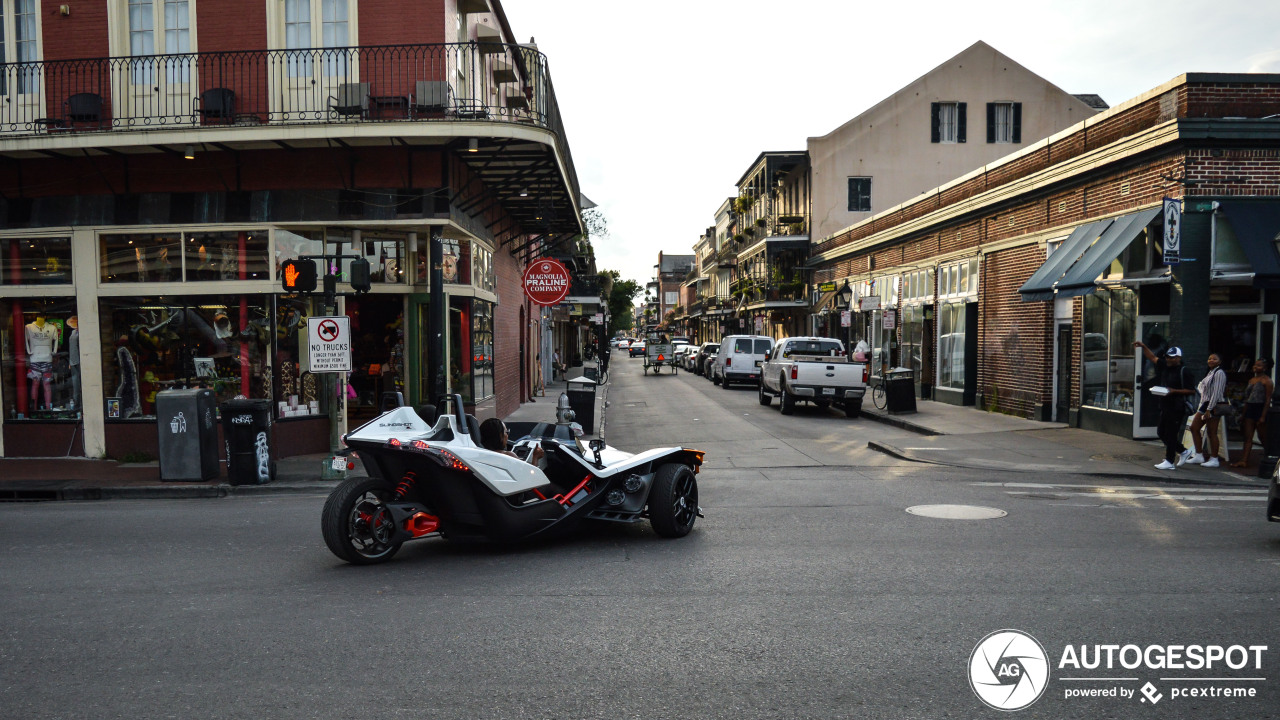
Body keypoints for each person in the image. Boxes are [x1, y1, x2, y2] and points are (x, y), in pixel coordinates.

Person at [1134, 341, 1196, 470]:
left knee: (1172, 433)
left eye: (1172, 358)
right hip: (1165, 404)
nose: (1168, 359)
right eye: (1167, 357)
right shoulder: (1165, 365)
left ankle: (1169, 461)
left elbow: (1191, 390)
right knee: (1161, 432)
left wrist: (1174, 391)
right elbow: (1152, 357)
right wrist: (1144, 346)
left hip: (1177, 406)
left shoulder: (1184, 371)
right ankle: (1183, 452)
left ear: (1178, 358)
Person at [1184, 353, 1227, 467]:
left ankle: (1214, 459)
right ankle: (1199, 455)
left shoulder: (1219, 373)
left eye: (1214, 359)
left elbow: (1217, 393)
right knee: (1194, 428)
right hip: (1205, 404)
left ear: (1220, 361)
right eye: (1209, 358)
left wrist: (1209, 409)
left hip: (1213, 404)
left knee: (1211, 432)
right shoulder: (1210, 372)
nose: (1211, 360)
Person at [1232, 358, 1275, 468]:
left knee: (1262, 436)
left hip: (1260, 408)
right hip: (1250, 408)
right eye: (1255, 365)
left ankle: (1271, 455)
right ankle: (1244, 460)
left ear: (1265, 368)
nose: (1256, 367)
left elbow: (1267, 400)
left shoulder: (1267, 381)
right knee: (1248, 437)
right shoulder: (1251, 380)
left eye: (1259, 365)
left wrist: (1263, 416)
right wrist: (1243, 414)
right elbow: (1247, 398)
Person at [478, 418, 545, 465]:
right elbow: (529, 478)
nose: (507, 435)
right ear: (501, 436)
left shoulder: (479, 456)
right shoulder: (508, 456)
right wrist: (535, 457)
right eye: (507, 432)